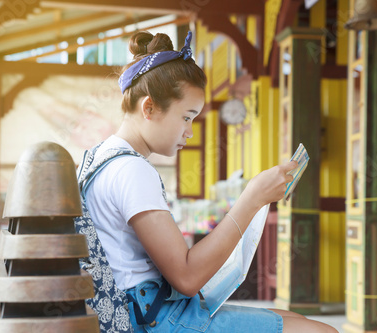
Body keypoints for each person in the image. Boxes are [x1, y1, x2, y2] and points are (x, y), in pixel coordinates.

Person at [83, 30, 337, 333]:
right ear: (148, 108)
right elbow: (187, 278)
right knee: (322, 332)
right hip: (150, 318)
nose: (189, 132)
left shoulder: (99, 158)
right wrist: (252, 197)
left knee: (296, 319)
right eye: (186, 117)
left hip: (140, 308)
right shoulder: (132, 170)